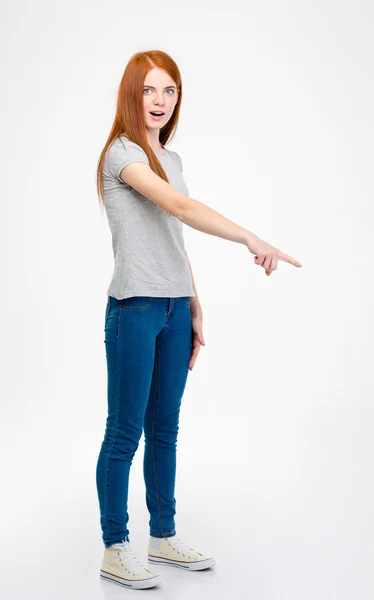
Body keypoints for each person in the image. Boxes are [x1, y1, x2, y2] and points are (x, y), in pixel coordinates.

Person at [95, 49, 302, 591]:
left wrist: (195, 303)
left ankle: (162, 538)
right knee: (125, 431)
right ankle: (115, 547)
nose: (161, 101)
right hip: (135, 308)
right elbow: (183, 210)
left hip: (173, 308)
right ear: (131, 95)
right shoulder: (121, 155)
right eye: (149, 91)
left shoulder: (174, 158)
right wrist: (251, 238)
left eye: (170, 91)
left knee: (166, 428)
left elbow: (172, 236)